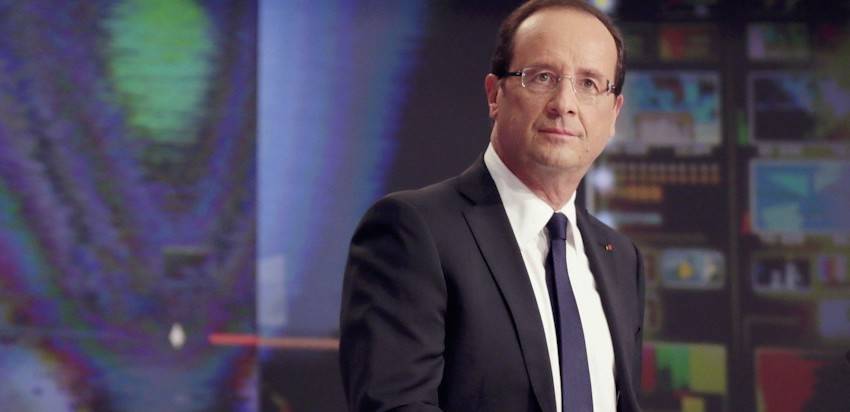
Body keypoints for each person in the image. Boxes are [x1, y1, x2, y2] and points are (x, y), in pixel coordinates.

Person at [339, 1, 644, 411]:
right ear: (494, 95)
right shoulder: (412, 232)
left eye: (589, 83)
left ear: (614, 114)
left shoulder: (621, 259)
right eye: (542, 77)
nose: (564, 104)